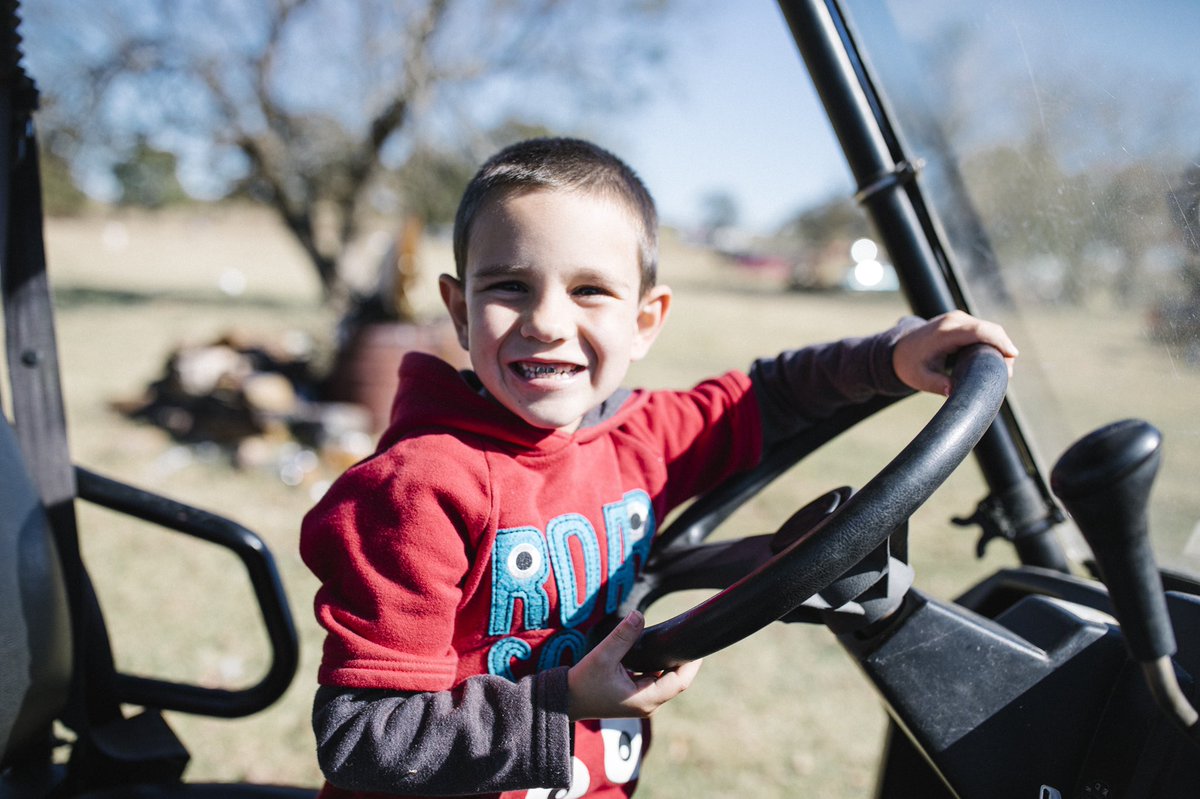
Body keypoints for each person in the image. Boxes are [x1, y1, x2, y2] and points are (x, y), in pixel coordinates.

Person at [299, 137, 1018, 799]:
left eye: (589, 290)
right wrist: (564, 700)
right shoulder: (417, 490)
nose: (546, 320)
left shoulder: (639, 436)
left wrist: (888, 357)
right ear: (459, 312)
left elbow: (764, 397)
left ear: (645, 321)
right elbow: (366, 735)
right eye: (509, 286)